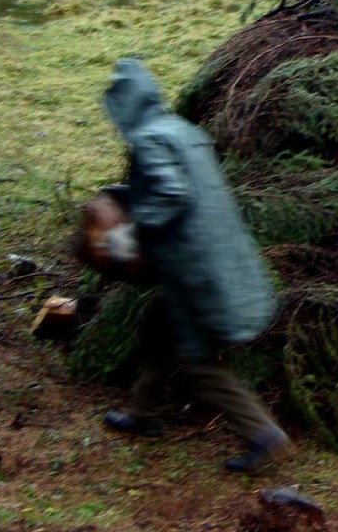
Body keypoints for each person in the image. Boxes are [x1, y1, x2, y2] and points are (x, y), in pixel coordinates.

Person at [99, 57, 290, 473]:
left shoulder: (150, 139)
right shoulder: (183, 131)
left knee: (198, 361)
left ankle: (264, 436)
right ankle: (145, 413)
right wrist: (121, 194)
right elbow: (183, 186)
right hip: (213, 254)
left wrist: (131, 231)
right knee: (156, 331)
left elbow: (171, 194)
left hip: (193, 268)